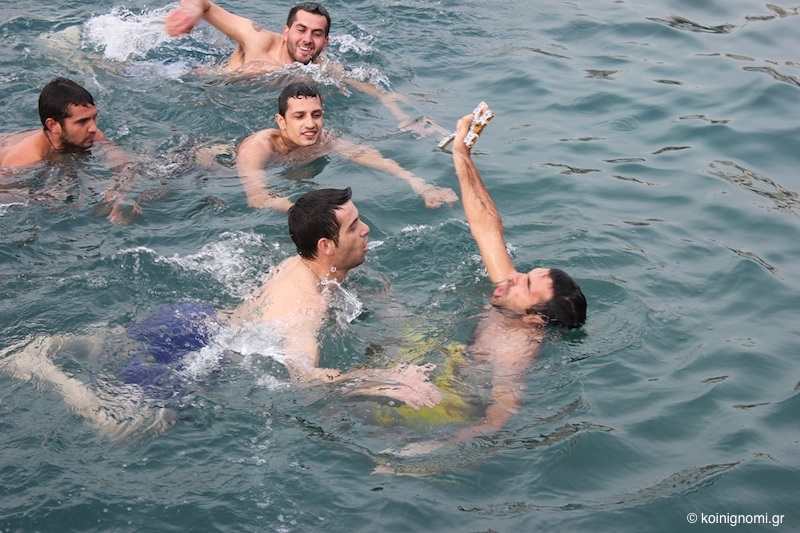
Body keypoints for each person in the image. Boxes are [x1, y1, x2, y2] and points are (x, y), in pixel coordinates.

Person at [1, 187, 442, 439]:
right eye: (354, 226)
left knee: (119, 345)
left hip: (193, 317)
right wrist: (380, 380)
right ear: (326, 246)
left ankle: (64, 343)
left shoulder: (301, 264)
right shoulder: (306, 304)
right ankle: (43, 368)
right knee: (121, 427)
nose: (366, 229)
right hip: (205, 348)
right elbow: (305, 379)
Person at [395, 106, 587, 457]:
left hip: (448, 405)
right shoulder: (512, 296)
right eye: (525, 274)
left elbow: (500, 415)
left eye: (525, 285)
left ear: (535, 318)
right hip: (442, 365)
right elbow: (487, 229)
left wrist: (435, 448)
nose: (514, 277)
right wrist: (462, 154)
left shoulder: (515, 351)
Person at [163, 1, 442, 136]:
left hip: (235, 107)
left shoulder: (320, 69)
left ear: (326, 41)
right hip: (195, 82)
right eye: (301, 30)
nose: (307, 40)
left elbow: (375, 90)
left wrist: (406, 118)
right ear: (286, 31)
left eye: (317, 34)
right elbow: (202, 2)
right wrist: (192, 13)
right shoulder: (257, 39)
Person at [235, 82, 457, 212]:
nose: (310, 124)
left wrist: (421, 185)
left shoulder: (324, 141)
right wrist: (306, 214)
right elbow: (258, 198)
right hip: (219, 170)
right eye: (299, 116)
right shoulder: (260, 147)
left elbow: (370, 157)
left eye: (316, 115)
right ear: (281, 121)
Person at [0, 77, 138, 224]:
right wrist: (41, 198)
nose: (93, 128)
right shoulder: (24, 160)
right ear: (53, 125)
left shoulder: (90, 134)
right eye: (82, 121)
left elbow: (125, 164)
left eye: (94, 117)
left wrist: (118, 193)